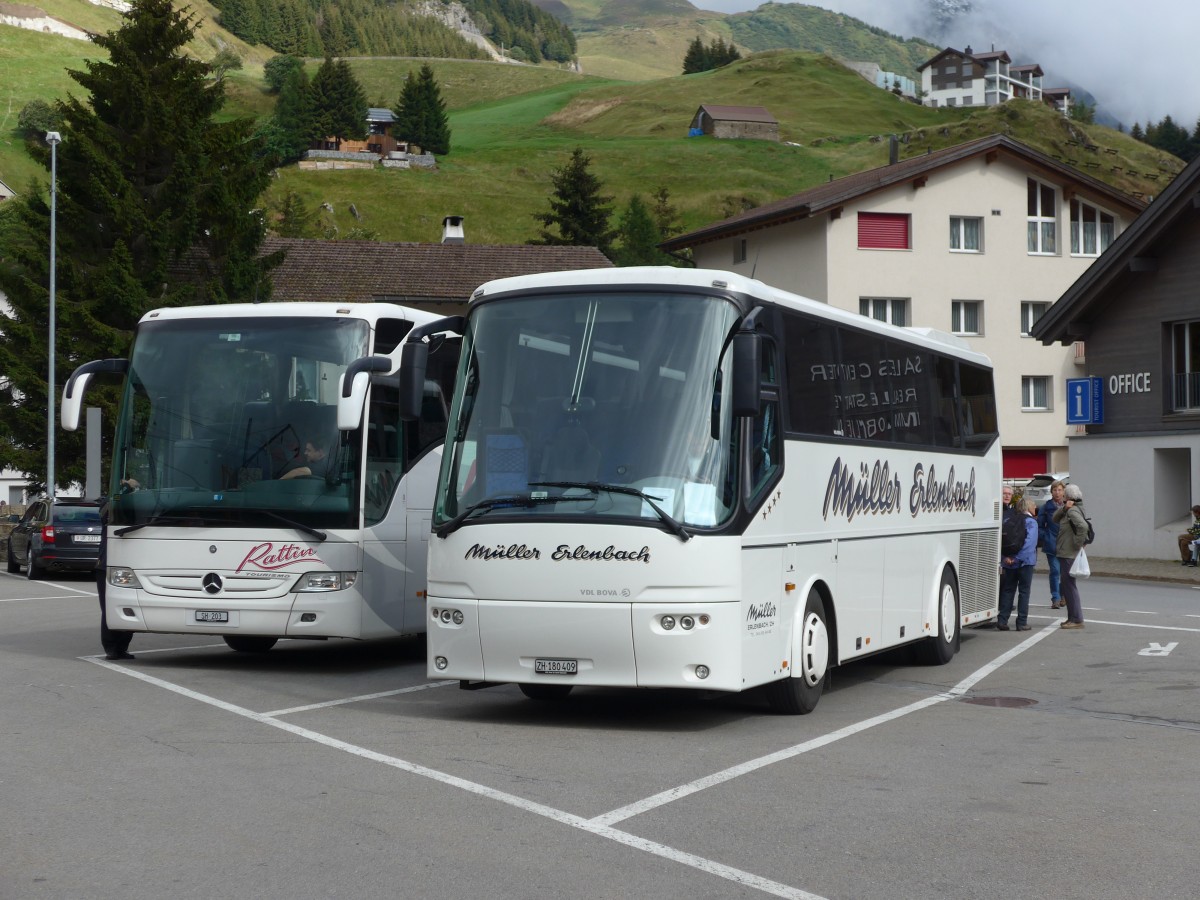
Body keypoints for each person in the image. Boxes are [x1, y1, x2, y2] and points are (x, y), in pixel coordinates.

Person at [96, 496, 134, 661]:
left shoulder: (136, 502)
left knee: (129, 606)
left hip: (128, 564)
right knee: (109, 608)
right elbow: (105, 514)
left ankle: (122, 647)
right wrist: (124, 490)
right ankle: (111, 648)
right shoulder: (108, 502)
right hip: (106, 565)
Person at [1053, 483, 1090, 629]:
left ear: (1067, 496)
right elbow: (1055, 518)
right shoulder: (1071, 509)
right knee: (1068, 586)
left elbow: (1083, 526)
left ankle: (1076, 619)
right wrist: (1064, 508)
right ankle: (1072, 618)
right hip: (1067, 552)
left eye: (1064, 494)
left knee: (1069, 586)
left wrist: (1077, 544)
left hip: (1068, 552)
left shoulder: (1073, 511)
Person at [998, 499, 1038, 631]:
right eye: (1033, 505)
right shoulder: (1031, 522)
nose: (1035, 507)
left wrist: (1005, 558)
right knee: (1024, 592)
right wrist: (1018, 558)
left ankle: (1002, 620)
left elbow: (1001, 540)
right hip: (1025, 562)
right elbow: (1030, 543)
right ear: (1028, 507)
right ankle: (1021, 622)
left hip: (1008, 562)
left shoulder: (1007, 520)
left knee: (1008, 590)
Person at [1039, 481, 1066, 607]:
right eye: (1055, 490)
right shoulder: (1046, 507)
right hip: (1052, 544)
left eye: (1059, 490)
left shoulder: (1068, 506)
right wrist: (1046, 537)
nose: (1057, 493)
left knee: (1065, 573)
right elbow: (1039, 526)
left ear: (1063, 492)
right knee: (1055, 571)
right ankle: (1055, 598)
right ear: (1051, 492)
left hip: (1066, 545)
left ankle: (1063, 595)